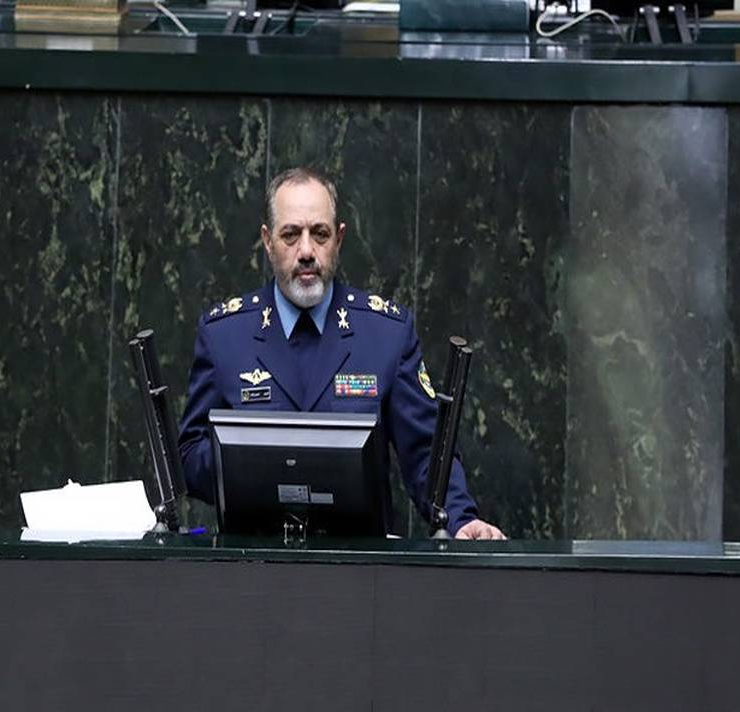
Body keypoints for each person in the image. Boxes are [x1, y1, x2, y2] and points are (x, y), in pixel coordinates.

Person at [177, 167, 505, 541]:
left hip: (358, 564)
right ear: (267, 241)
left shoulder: (385, 333)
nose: (306, 251)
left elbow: (426, 453)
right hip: (253, 561)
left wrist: (460, 518)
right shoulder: (224, 335)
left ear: (340, 239)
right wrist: (248, 462)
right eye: (290, 235)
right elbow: (188, 454)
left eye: (320, 234)